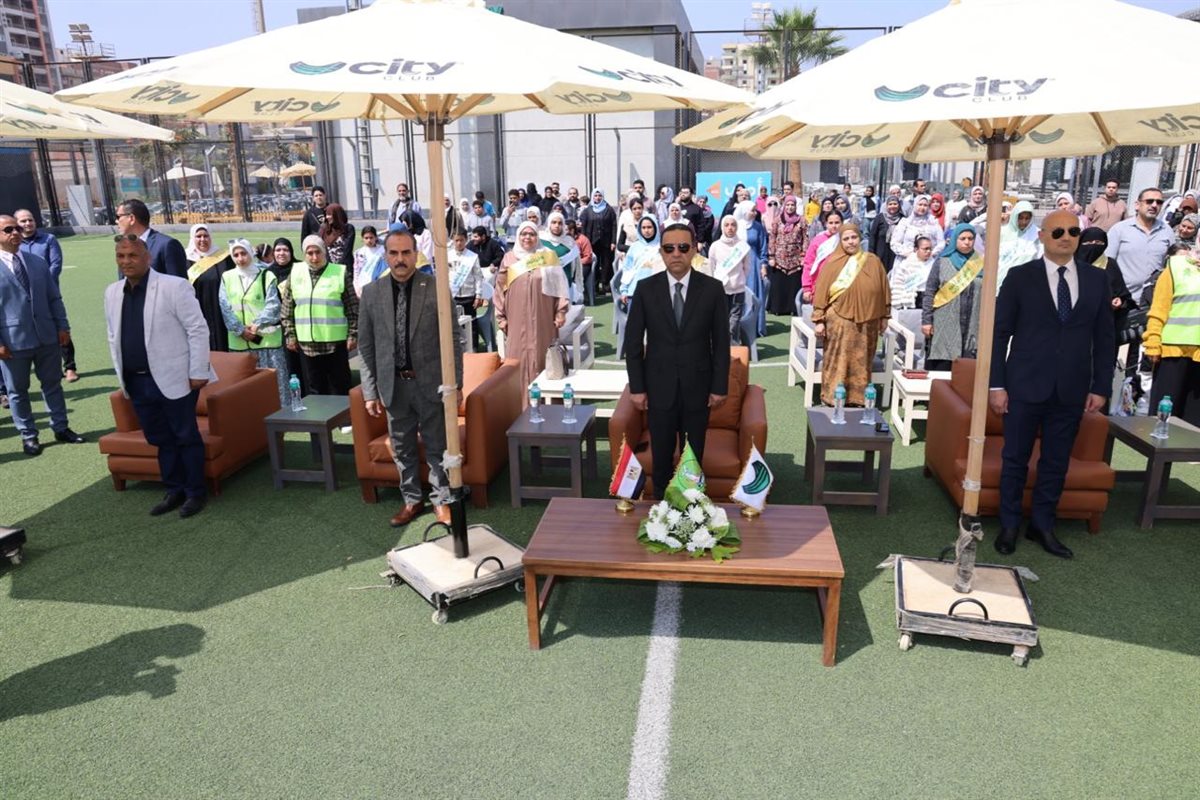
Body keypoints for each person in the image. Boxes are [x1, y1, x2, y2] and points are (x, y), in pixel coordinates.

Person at [989, 210, 1115, 558]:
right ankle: (1010, 524)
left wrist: (1101, 387)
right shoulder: (1019, 277)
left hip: (1072, 389)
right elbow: (1000, 334)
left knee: (1057, 461)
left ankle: (1042, 525)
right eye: (1057, 231)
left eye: (1073, 231)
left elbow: (1105, 338)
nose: (1066, 237)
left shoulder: (1096, 280)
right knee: (1015, 459)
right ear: (1042, 235)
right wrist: (997, 385)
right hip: (1023, 385)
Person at [357, 229, 462, 528]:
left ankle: (441, 500)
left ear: (416, 254)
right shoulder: (372, 293)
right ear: (385, 255)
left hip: (430, 383)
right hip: (393, 386)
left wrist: (456, 384)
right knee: (402, 447)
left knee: (436, 444)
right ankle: (412, 499)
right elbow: (366, 346)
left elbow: (453, 339)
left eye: (406, 252)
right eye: (394, 253)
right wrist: (369, 391)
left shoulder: (436, 288)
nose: (400, 259)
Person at [104, 234, 214, 518]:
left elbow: (198, 330)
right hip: (137, 381)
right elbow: (113, 335)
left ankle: (195, 492)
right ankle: (174, 489)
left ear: (147, 257)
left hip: (176, 379)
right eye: (120, 256)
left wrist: (198, 371)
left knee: (185, 436)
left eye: (132, 255)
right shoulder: (112, 292)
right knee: (160, 438)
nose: (126, 261)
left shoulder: (174, 286)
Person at [623, 222, 730, 499]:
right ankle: (661, 507)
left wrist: (719, 387)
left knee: (692, 457)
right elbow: (632, 343)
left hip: (699, 387)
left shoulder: (712, 289)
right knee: (660, 456)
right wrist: (637, 388)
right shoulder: (645, 289)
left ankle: (692, 507)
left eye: (683, 247)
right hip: (659, 387)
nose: (676, 254)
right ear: (661, 252)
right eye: (669, 248)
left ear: (694, 250)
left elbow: (721, 343)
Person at [0, 214, 84, 456]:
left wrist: (63, 326)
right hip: (13, 342)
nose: (15, 233)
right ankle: (28, 436)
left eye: (17, 229)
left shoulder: (36, 262)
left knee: (52, 384)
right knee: (17, 391)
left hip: (46, 335)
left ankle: (61, 427)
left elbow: (53, 297)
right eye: (8, 230)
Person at [1106, 187, 1174, 402]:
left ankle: (1131, 403)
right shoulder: (1120, 230)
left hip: (1151, 305)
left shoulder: (1166, 232)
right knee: (1108, 355)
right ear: (1137, 204)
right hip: (1121, 303)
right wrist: (1112, 295)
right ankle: (1103, 402)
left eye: (1159, 202)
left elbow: (1171, 265)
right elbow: (1107, 264)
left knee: (1140, 362)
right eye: (1149, 201)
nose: (1154, 205)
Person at [811, 224, 891, 406]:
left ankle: (859, 398)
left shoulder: (873, 261)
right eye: (846, 239)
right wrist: (819, 319)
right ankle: (833, 397)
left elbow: (884, 289)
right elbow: (821, 292)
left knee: (862, 360)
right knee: (838, 359)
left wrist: (885, 316)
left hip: (869, 321)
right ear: (840, 241)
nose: (850, 242)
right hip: (839, 320)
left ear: (860, 238)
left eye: (853, 237)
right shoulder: (832, 263)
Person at [494, 222, 569, 392]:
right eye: (523, 234)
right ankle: (519, 403)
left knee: (544, 357)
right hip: (516, 319)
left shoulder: (548, 256)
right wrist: (501, 318)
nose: (527, 238)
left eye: (532, 234)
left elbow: (560, 287)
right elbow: (499, 289)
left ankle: (546, 402)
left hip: (543, 318)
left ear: (537, 237)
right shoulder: (509, 258)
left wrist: (561, 311)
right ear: (518, 236)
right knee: (517, 360)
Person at [281, 235, 358, 396]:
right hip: (307, 346)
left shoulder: (339, 273)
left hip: (335, 344)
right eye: (310, 253)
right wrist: (290, 335)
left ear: (324, 252)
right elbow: (287, 308)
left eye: (318, 252)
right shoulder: (295, 273)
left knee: (340, 388)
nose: (314, 258)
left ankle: (343, 414)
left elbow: (352, 308)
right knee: (315, 390)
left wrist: (353, 334)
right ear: (304, 254)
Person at [218, 238, 288, 405]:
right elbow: (225, 306)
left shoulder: (266, 275)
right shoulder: (227, 277)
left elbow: (273, 305)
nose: (240, 258)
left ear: (250, 253)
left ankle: (281, 416)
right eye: (236, 255)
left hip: (267, 342)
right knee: (244, 389)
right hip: (239, 343)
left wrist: (257, 325)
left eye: (243, 253)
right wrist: (240, 330)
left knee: (274, 386)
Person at [15, 209, 74, 383]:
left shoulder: (49, 239)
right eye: (23, 221)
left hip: (48, 295)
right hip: (24, 300)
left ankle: (70, 367)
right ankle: (47, 367)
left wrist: (40, 285)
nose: (28, 223)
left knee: (60, 327)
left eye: (30, 220)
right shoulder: (14, 243)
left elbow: (55, 264)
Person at [1143, 251, 1200, 425]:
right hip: (1171, 353)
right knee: (1162, 418)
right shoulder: (1176, 266)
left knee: (1193, 424)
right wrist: (1153, 342)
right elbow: (1159, 308)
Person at [922, 224, 985, 372]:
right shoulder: (942, 261)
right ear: (955, 239)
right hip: (944, 323)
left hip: (972, 323)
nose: (967, 242)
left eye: (970, 238)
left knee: (967, 369)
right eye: (963, 238)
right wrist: (926, 321)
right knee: (943, 366)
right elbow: (930, 292)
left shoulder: (980, 263)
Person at [185, 225, 233, 353]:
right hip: (197, 309)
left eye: (206, 236)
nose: (203, 239)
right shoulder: (185, 259)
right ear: (192, 238)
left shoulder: (223, 257)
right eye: (198, 236)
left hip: (220, 310)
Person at [115, 199, 187, 279]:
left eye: (118, 217)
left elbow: (179, 283)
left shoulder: (166, 245)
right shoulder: (123, 247)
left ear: (131, 218)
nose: (116, 221)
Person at [707, 215, 751, 344]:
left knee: (734, 321)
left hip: (738, 289)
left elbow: (747, 267)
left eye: (733, 225)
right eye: (727, 225)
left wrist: (739, 280)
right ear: (722, 227)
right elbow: (711, 267)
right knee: (720, 319)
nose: (730, 228)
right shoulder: (715, 246)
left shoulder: (742, 246)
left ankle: (733, 346)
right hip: (721, 289)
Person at [767, 195, 807, 315]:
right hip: (779, 258)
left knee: (793, 284)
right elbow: (772, 237)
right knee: (779, 284)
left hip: (795, 258)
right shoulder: (777, 220)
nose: (790, 207)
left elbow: (806, 238)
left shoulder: (802, 220)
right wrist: (771, 256)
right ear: (784, 206)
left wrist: (803, 256)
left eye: (792, 205)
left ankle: (793, 308)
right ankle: (777, 308)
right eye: (788, 205)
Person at [447, 230, 485, 352]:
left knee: (472, 324)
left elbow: (478, 277)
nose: (459, 243)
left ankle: (473, 348)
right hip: (454, 295)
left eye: (461, 240)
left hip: (469, 295)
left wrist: (478, 295)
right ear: (453, 241)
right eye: (456, 240)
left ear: (466, 240)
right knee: (455, 324)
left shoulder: (472, 257)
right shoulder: (447, 256)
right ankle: (457, 350)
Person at [737, 201, 771, 337]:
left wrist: (763, 266)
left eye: (755, 210)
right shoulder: (736, 225)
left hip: (753, 264)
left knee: (754, 294)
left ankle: (756, 327)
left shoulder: (758, 227)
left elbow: (763, 247)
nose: (755, 213)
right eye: (752, 210)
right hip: (737, 262)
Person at [618, 215, 664, 309]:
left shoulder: (662, 247)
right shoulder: (634, 247)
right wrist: (624, 290)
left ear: (655, 227)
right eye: (643, 227)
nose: (646, 230)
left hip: (658, 293)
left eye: (649, 227)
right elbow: (627, 269)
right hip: (635, 291)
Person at [579, 188, 617, 298]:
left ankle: (605, 286)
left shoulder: (609, 210)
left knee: (606, 264)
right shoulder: (587, 210)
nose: (597, 198)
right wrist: (584, 243)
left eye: (599, 195)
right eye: (595, 196)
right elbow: (584, 228)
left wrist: (613, 241)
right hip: (592, 242)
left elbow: (614, 226)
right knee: (594, 265)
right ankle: (594, 287)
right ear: (592, 197)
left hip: (606, 242)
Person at [802, 210, 844, 305]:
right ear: (826, 224)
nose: (834, 226)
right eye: (831, 223)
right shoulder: (818, 240)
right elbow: (808, 264)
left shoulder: (845, 239)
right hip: (820, 284)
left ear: (842, 223)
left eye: (837, 222)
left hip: (841, 285)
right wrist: (807, 288)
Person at [540, 211, 582, 303]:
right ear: (549, 224)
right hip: (546, 284)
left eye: (560, 223)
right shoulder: (541, 240)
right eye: (554, 222)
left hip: (565, 283)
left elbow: (576, 265)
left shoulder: (569, 242)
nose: (557, 225)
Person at [890, 195, 945, 259]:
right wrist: (909, 254)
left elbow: (941, 243)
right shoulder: (905, 222)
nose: (922, 207)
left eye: (925, 205)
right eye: (920, 204)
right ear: (915, 205)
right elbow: (894, 243)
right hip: (907, 259)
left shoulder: (933, 223)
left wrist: (931, 254)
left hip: (928, 260)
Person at [890, 235, 935, 310]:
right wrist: (898, 304)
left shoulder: (935, 265)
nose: (928, 251)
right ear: (916, 249)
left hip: (929, 299)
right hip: (911, 301)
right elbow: (898, 285)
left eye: (930, 249)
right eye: (925, 249)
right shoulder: (906, 265)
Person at [869, 195, 904, 273]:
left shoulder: (903, 219)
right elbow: (873, 236)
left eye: (895, 204)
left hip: (895, 255)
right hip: (880, 254)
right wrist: (871, 254)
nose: (892, 206)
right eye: (890, 204)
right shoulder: (879, 218)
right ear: (886, 206)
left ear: (899, 205)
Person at [320, 203, 355, 268]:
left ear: (337, 214)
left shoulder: (348, 228)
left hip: (345, 266)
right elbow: (323, 249)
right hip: (329, 266)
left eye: (329, 214)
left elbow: (347, 250)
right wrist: (330, 265)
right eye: (326, 214)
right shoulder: (324, 229)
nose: (327, 217)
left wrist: (339, 266)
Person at [352, 225, 384, 297]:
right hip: (363, 286)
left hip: (379, 285)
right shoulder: (359, 253)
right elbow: (356, 272)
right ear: (362, 239)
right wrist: (356, 287)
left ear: (376, 237)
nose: (369, 240)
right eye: (366, 238)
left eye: (371, 237)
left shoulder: (383, 251)